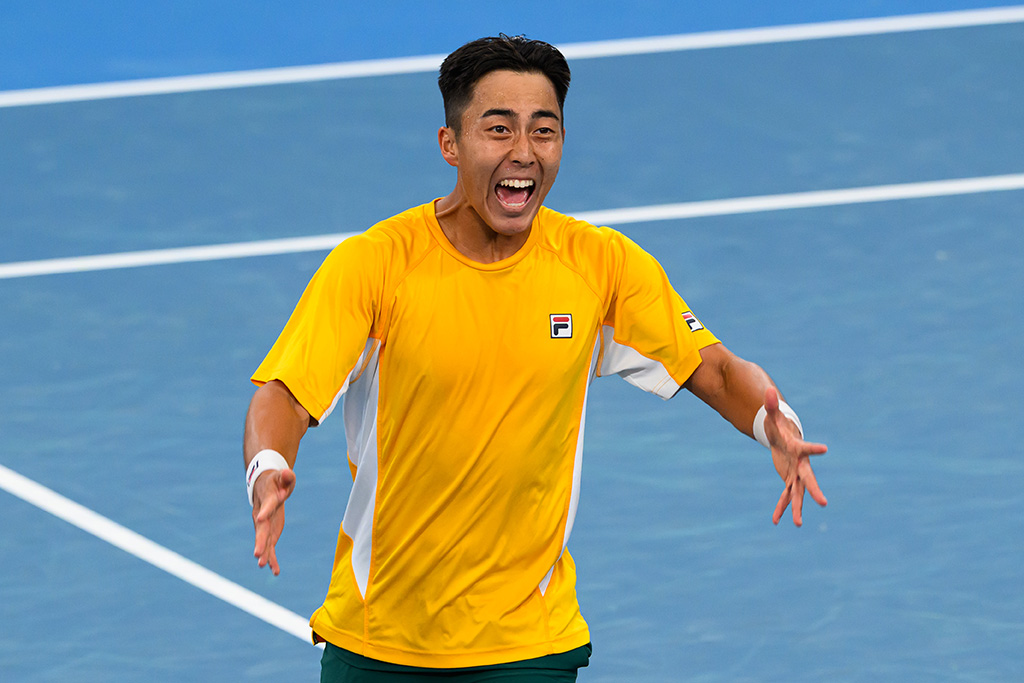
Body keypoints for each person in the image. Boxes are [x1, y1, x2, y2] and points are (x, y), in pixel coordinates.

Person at [242, 34, 827, 682]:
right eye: (499, 129)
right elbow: (287, 394)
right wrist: (268, 466)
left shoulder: (598, 265)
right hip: (379, 638)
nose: (524, 152)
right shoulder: (375, 266)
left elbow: (710, 367)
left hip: (528, 643)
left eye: (543, 131)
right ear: (450, 145)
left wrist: (773, 422)